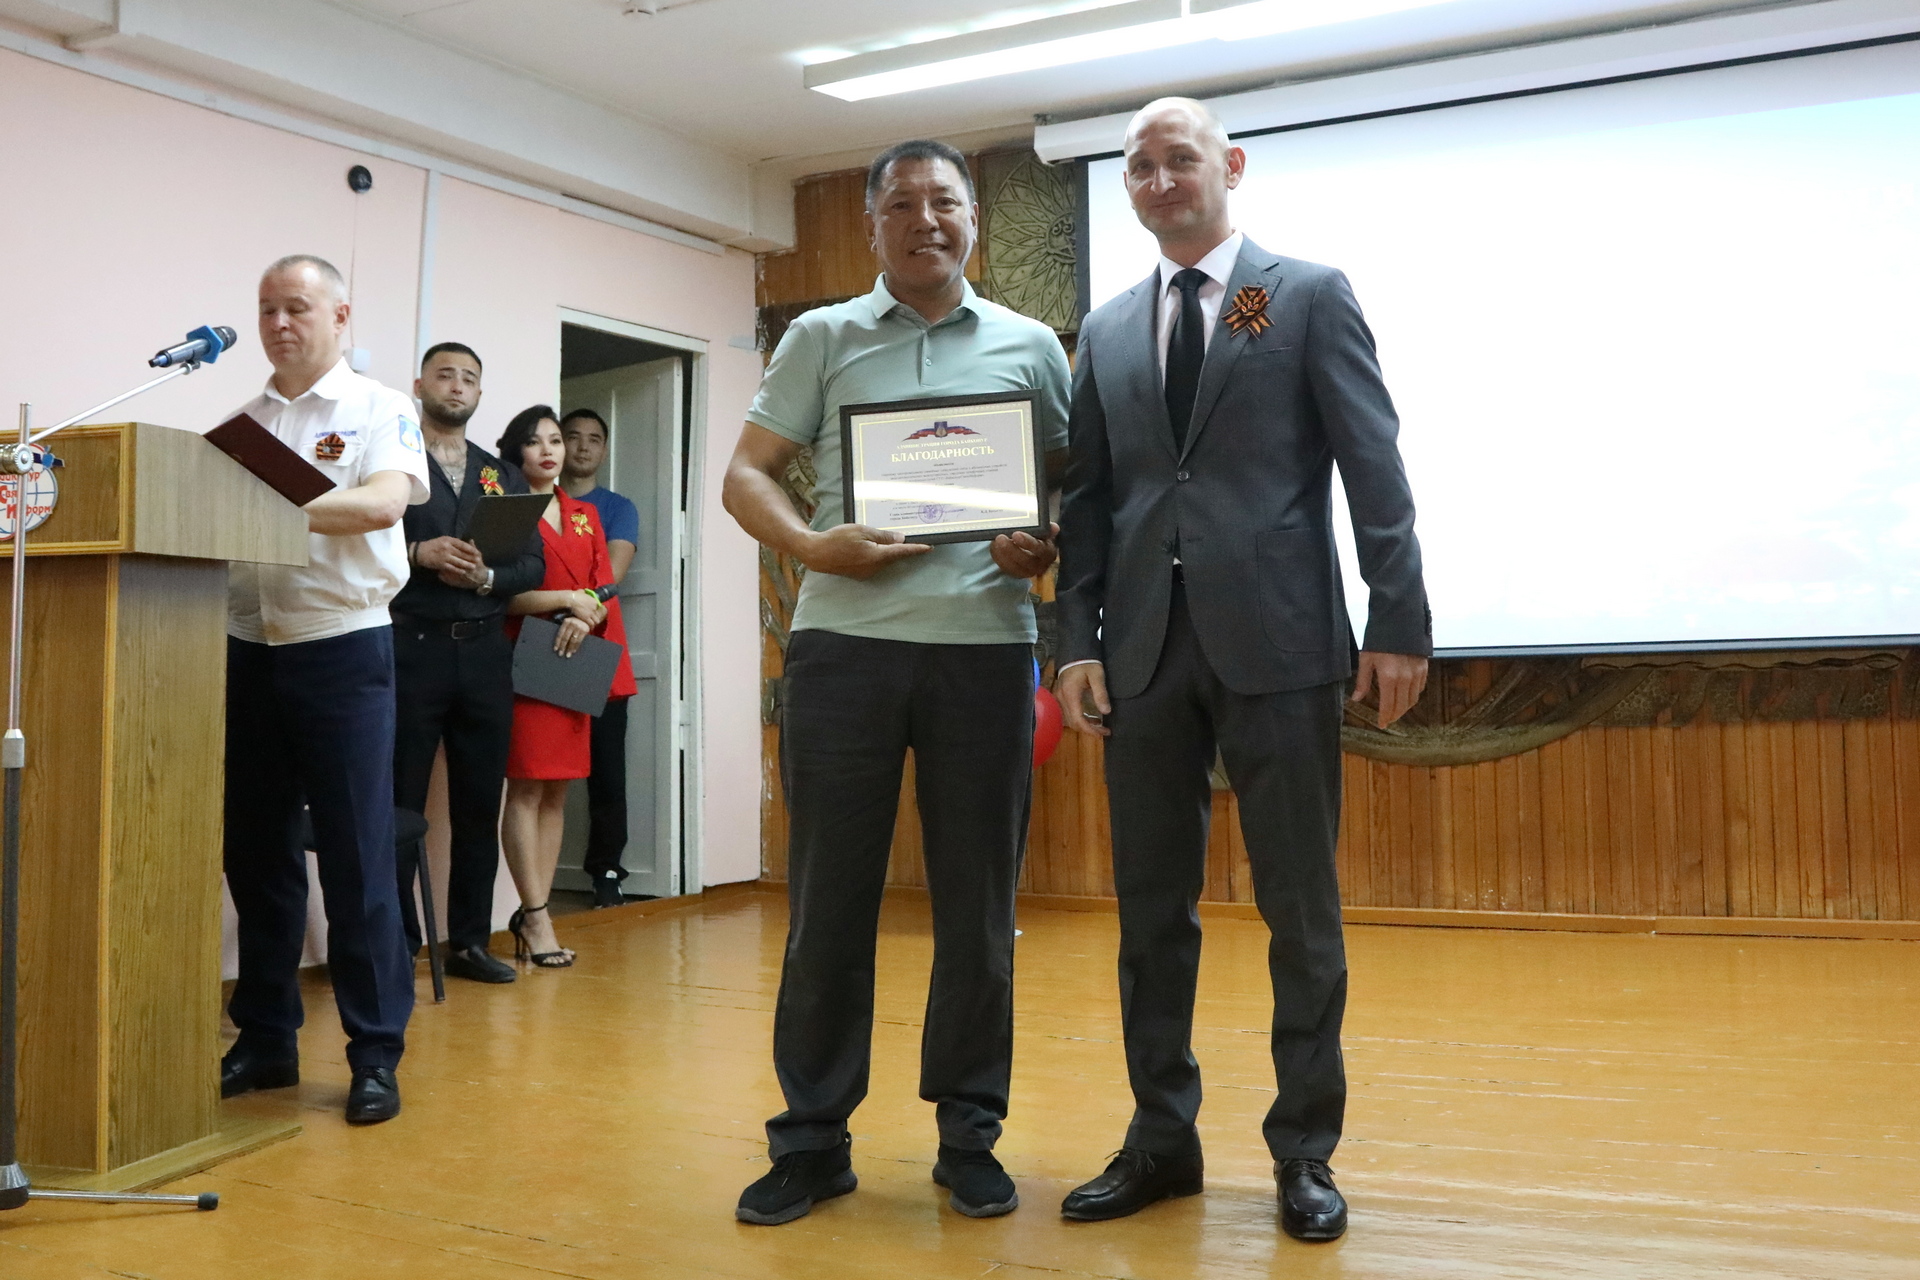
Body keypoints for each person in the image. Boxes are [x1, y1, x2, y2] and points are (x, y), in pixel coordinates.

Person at [1054, 98, 1432, 1240]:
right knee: (1148, 912)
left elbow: (1372, 460)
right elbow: (1090, 499)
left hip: (1281, 644)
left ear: (1232, 165)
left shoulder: (1300, 295)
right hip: (1143, 654)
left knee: (1299, 908)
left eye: (1180, 159)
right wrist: (1075, 639)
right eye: (1139, 166)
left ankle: (1304, 1149)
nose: (1159, 179)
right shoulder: (1107, 327)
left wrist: (1399, 618)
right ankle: (1161, 1138)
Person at [721, 138, 1069, 1227]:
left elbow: (1067, 488)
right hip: (843, 651)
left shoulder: (1029, 345)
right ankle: (812, 1140)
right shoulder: (823, 336)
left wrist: (1040, 542)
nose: (927, 218)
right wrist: (810, 546)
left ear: (974, 219)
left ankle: (969, 1135)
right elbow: (745, 474)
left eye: (946, 201)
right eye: (904, 203)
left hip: (986, 650)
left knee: (979, 911)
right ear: (873, 224)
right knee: (828, 905)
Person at [220, 254, 431, 1125]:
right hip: (247, 646)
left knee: (356, 858)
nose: (279, 324)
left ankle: (374, 1053)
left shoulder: (379, 407)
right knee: (256, 855)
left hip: (341, 647)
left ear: (340, 315)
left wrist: (261, 496)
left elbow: (381, 506)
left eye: (297, 308)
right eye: (267, 309)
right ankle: (266, 1038)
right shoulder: (242, 422)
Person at [390, 342, 545, 985]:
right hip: (411, 647)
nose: (457, 386)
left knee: (480, 803)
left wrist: (486, 578)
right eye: (445, 375)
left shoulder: (500, 474)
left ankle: (469, 943)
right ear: (420, 384)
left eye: (469, 379)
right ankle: (396, 944)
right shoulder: (393, 460)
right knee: (397, 800)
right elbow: (356, 543)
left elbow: (532, 565)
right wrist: (418, 553)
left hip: (484, 652)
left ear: (480, 394)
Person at [495, 406, 636, 967]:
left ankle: (539, 910)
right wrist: (567, 602)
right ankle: (535, 916)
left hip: (579, 655)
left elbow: (603, 584)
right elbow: (499, 592)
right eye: (536, 442)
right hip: (528, 656)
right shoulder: (505, 510)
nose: (550, 450)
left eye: (555, 440)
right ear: (517, 452)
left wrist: (586, 613)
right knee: (527, 787)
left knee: (558, 791)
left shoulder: (585, 514)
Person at [559, 407, 638, 908]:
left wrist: (578, 608)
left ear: (604, 449)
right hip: (543, 641)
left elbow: (612, 575)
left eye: (594, 438)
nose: (583, 446)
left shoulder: (617, 508)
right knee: (540, 770)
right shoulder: (541, 503)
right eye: (573, 437)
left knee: (607, 770)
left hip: (599, 644)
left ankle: (606, 870)